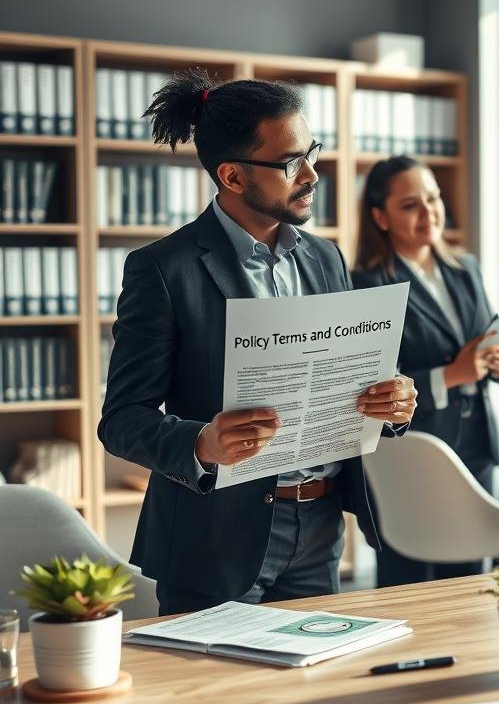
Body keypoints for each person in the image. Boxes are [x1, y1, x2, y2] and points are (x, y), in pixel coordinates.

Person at [98, 69, 417, 614]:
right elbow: (122, 419)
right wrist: (203, 443)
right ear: (233, 176)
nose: (313, 174)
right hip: (214, 538)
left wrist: (392, 405)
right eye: (292, 162)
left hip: (319, 529)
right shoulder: (162, 269)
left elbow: (344, 384)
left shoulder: (326, 257)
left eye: (312, 152)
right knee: (218, 696)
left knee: (313, 695)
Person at [352, 155, 499, 586]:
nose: (430, 213)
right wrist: (450, 375)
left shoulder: (467, 270)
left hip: (475, 449)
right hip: (412, 456)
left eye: (433, 198)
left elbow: (485, 343)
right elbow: (368, 387)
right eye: (410, 205)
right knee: (409, 582)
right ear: (380, 217)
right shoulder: (366, 285)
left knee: (469, 583)